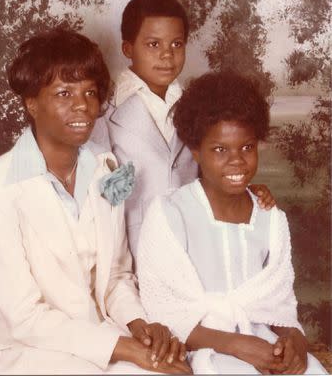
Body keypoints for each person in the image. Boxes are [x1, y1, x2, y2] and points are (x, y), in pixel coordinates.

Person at [0, 27, 191, 375]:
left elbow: (115, 275)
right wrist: (124, 349)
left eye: (89, 92)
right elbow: (23, 316)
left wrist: (140, 325)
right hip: (27, 350)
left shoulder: (106, 169)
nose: (82, 105)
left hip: (99, 336)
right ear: (31, 102)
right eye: (63, 93)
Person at [137, 71, 327, 374]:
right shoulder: (170, 214)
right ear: (196, 151)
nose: (237, 161)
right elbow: (164, 310)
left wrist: (296, 346)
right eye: (220, 150)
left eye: (247, 147)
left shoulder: (270, 219)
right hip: (200, 348)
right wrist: (237, 345)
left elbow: (281, 308)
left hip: (263, 342)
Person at [91, 0, 275, 259]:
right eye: (153, 44)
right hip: (136, 253)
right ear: (128, 49)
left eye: (177, 44)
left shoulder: (201, 107)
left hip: (197, 245)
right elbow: (101, 202)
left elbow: (217, 171)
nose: (167, 55)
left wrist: (249, 193)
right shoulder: (104, 116)